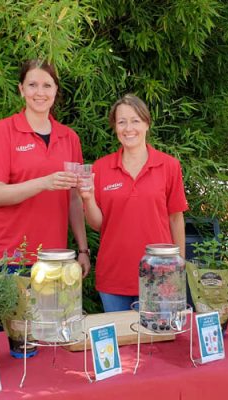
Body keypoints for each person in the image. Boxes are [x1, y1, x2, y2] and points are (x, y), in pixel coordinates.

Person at [0, 59, 90, 275]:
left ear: (56, 90)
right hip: (9, 259)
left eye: (47, 85)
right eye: (32, 85)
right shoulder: (2, 131)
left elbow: (74, 198)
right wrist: (44, 182)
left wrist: (83, 249)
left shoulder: (69, 138)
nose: (40, 92)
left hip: (55, 259)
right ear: (21, 89)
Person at [80, 94, 188, 312]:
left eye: (135, 121)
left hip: (161, 275)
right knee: (121, 345)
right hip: (114, 277)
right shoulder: (100, 168)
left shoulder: (169, 166)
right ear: (115, 127)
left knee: (158, 342)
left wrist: (179, 267)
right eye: (122, 122)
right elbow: (97, 224)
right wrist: (88, 198)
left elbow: (176, 218)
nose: (129, 128)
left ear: (147, 123)